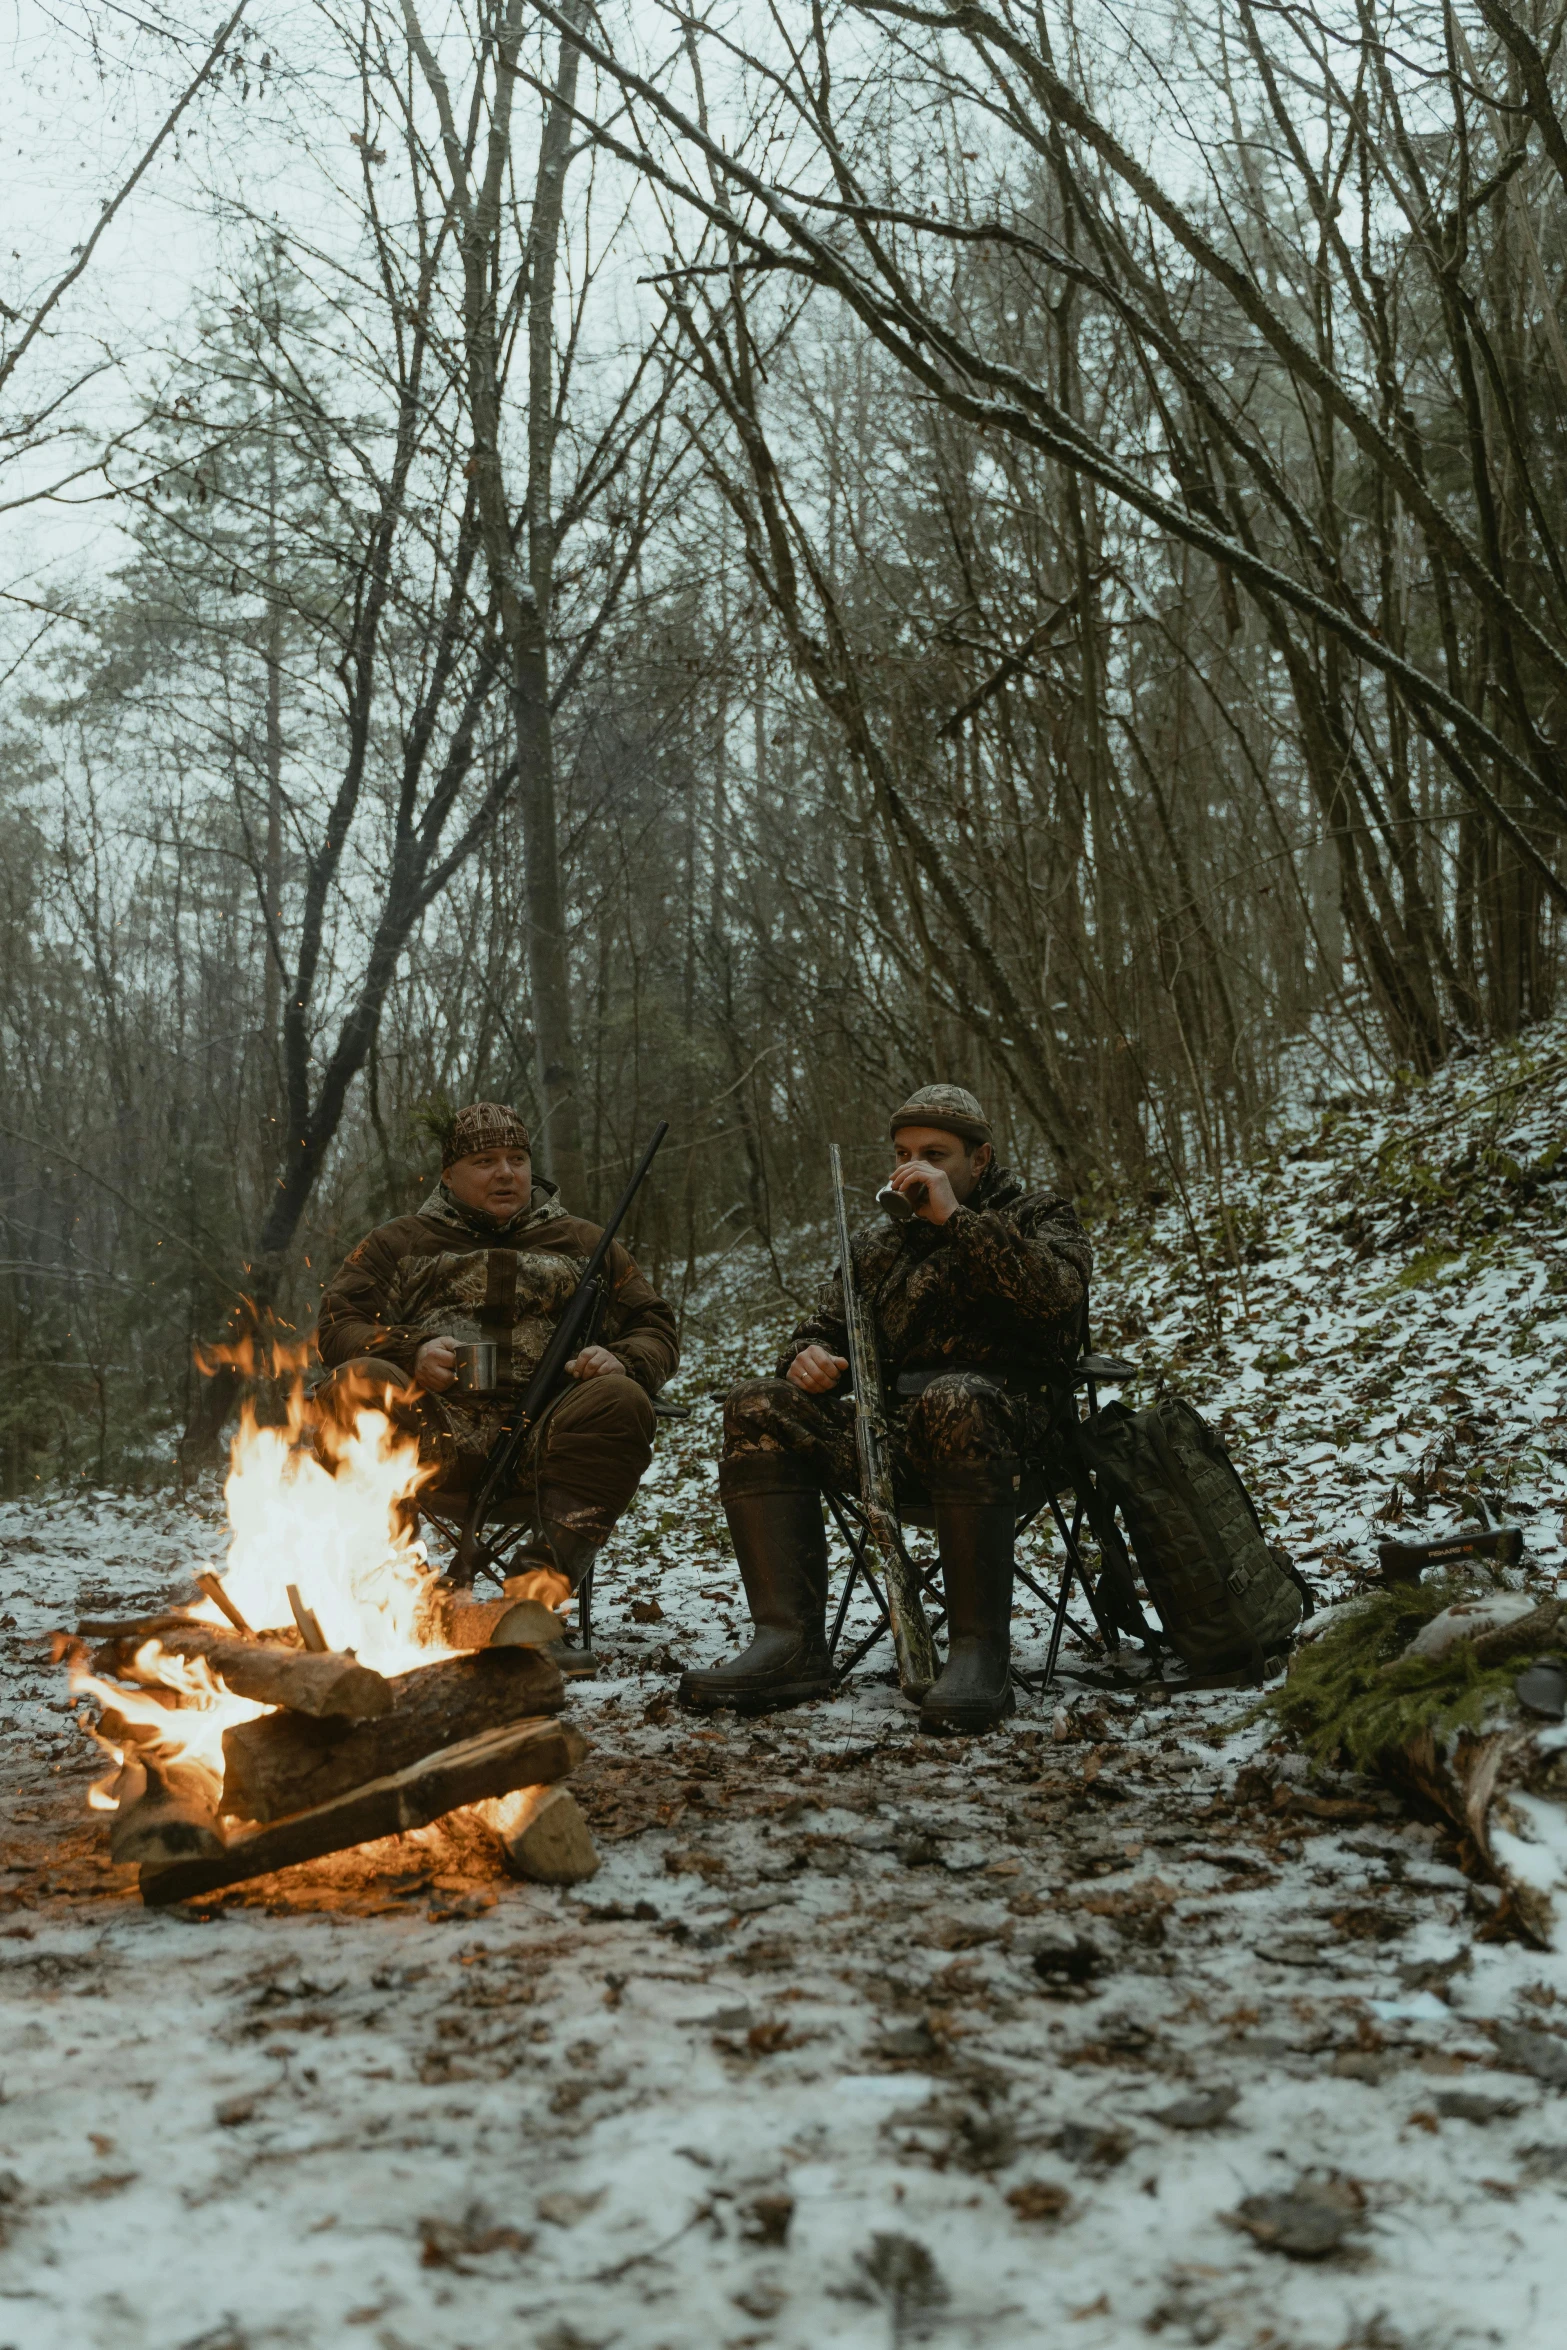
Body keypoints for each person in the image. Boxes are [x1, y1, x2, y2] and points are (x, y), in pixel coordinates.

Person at [680, 1084, 1090, 1733]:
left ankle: (976, 1654)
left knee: (955, 1398)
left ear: (978, 1160)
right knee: (756, 1403)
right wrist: (809, 1356)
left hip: (1012, 1432)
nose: (913, 1167)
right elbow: (819, 1327)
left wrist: (955, 1220)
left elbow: (1054, 1301)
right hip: (896, 1434)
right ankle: (788, 1644)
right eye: (903, 1153)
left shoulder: (1038, 1216)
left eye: (934, 1153)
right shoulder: (878, 1248)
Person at [314, 1103, 677, 1623]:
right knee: (358, 1382)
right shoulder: (398, 1243)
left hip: (550, 1441)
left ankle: (529, 1604)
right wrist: (409, 1350)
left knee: (620, 1399)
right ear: (448, 1174)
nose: (506, 1173)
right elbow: (336, 1327)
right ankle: (395, 1597)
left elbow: (656, 1327)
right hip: (430, 1438)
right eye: (484, 1161)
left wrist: (619, 1360)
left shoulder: (585, 1244)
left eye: (517, 1159)